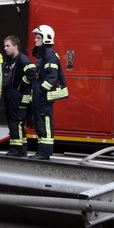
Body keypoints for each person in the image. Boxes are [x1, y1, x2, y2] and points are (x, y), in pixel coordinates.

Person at [31, 24, 67, 160]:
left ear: (46, 38)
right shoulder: (43, 54)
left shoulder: (49, 54)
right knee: (40, 123)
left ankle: (44, 153)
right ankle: (41, 152)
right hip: (41, 96)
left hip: (45, 96)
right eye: (35, 37)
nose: (35, 40)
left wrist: (40, 91)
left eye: (38, 37)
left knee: (45, 123)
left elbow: (52, 76)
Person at [2, 35, 36, 157]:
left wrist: (22, 84)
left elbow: (33, 72)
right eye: (4, 45)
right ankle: (22, 148)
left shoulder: (22, 59)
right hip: (11, 94)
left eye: (8, 46)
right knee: (16, 122)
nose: (5, 48)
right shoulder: (10, 60)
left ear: (15, 46)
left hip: (18, 95)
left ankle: (15, 149)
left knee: (15, 122)